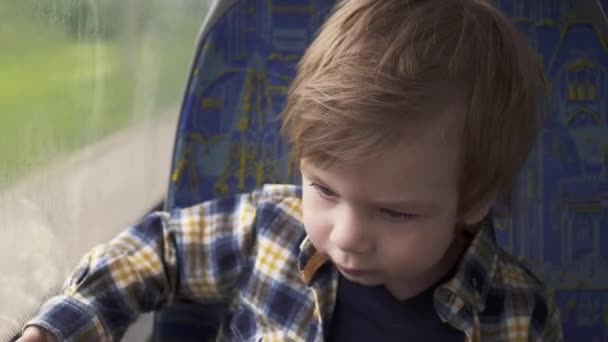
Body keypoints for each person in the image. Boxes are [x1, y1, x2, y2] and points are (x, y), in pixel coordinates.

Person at [19, 0, 563, 340]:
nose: (344, 235)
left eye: (395, 212)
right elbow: (163, 249)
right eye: (324, 189)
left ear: (473, 199)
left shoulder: (517, 313)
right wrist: (60, 326)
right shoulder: (271, 228)